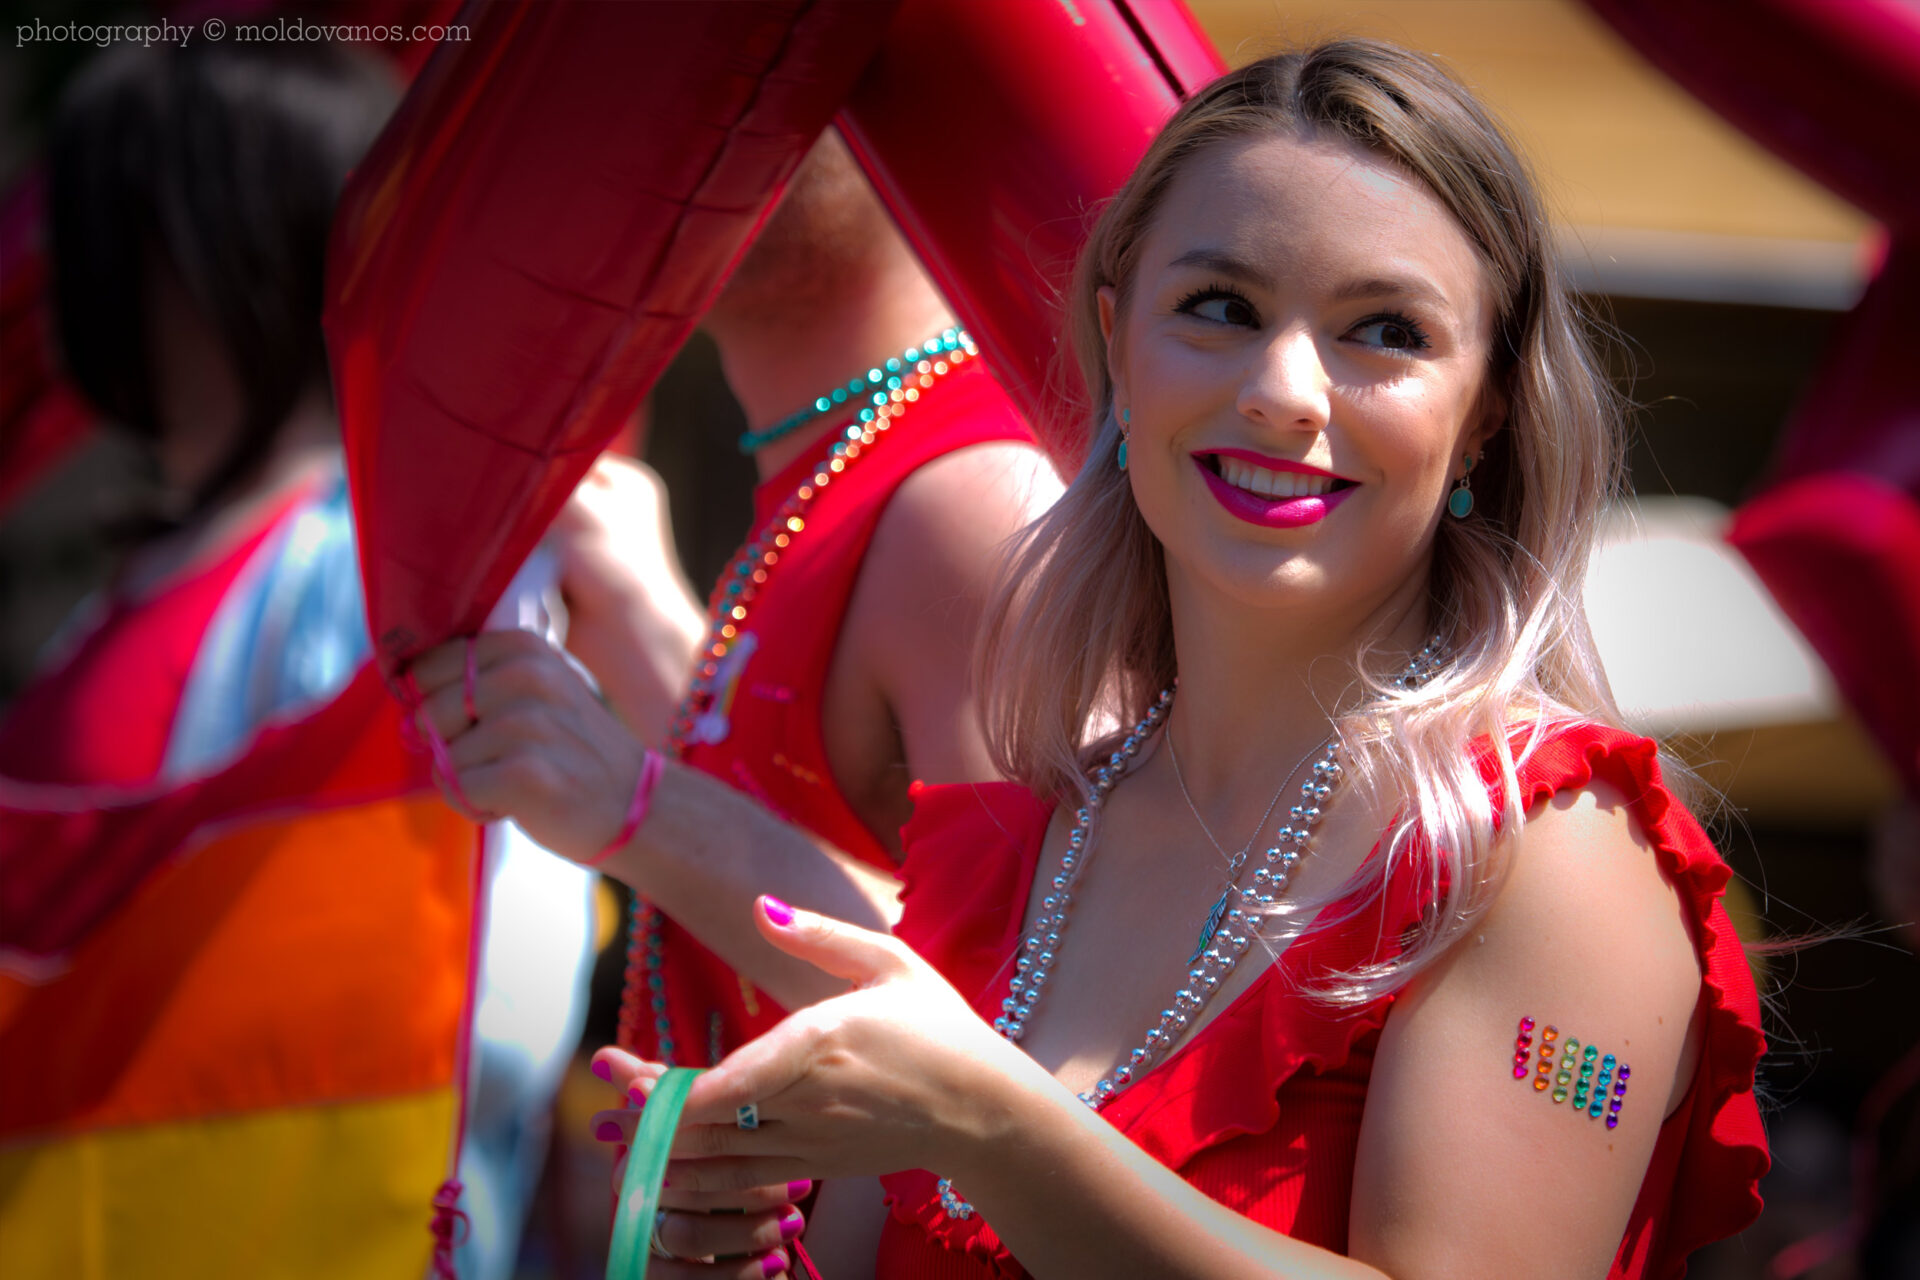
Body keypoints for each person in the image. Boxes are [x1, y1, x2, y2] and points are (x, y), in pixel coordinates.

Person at [588, 39, 1770, 1279]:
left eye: (1385, 330)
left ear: (1483, 412)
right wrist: (714, 1249)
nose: (1284, 391)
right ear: (1121, 343)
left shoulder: (1553, 847)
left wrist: (994, 1123)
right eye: (1222, 308)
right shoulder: (1011, 845)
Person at [407, 128, 1058, 1273]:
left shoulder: (972, 498)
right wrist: (667, 651)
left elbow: (1022, 1043)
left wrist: (631, 801)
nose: (705, 68)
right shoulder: (858, 472)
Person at [0, 42, 592, 1280]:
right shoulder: (124, 585)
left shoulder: (368, 577)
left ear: (201, 254)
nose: (72, 281)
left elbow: (491, 966)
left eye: (110, 229)